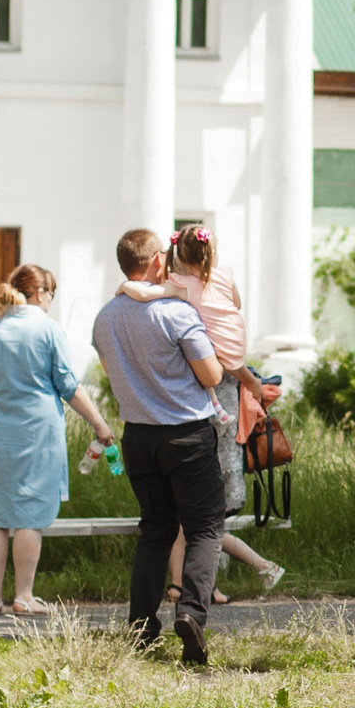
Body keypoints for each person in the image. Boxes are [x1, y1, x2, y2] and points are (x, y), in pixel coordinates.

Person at [0, 263, 116, 617]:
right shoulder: (49, 330)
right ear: (40, 293)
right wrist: (100, 425)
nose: (51, 302)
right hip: (39, 432)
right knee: (30, 516)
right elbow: (69, 387)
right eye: (51, 294)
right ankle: (24, 596)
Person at [117, 226, 287, 598]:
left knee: (173, 523)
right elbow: (235, 307)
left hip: (180, 398)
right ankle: (194, 595)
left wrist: (124, 290)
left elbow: (147, 292)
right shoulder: (221, 278)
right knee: (203, 520)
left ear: (175, 258)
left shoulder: (179, 288)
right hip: (234, 355)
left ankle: (178, 592)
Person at [92, 228, 228, 665]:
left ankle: (141, 627)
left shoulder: (105, 318)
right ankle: (190, 614)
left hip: (139, 436)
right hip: (186, 432)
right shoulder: (176, 313)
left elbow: (111, 368)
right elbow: (210, 376)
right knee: (206, 528)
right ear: (155, 263)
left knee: (155, 531)